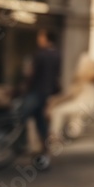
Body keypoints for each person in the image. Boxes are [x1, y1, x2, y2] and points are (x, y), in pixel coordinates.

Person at [22, 29, 61, 167]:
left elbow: (32, 76)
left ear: (46, 38)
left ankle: (22, 145)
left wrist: (24, 88)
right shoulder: (57, 55)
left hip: (36, 92)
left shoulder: (40, 55)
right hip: (47, 94)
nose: (39, 39)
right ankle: (43, 156)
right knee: (41, 125)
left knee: (21, 116)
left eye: (41, 37)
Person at [46, 53, 94, 142]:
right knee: (73, 115)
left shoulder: (85, 79)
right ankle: (72, 131)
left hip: (84, 106)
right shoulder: (91, 79)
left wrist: (55, 101)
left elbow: (70, 95)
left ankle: (55, 136)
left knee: (58, 111)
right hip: (89, 106)